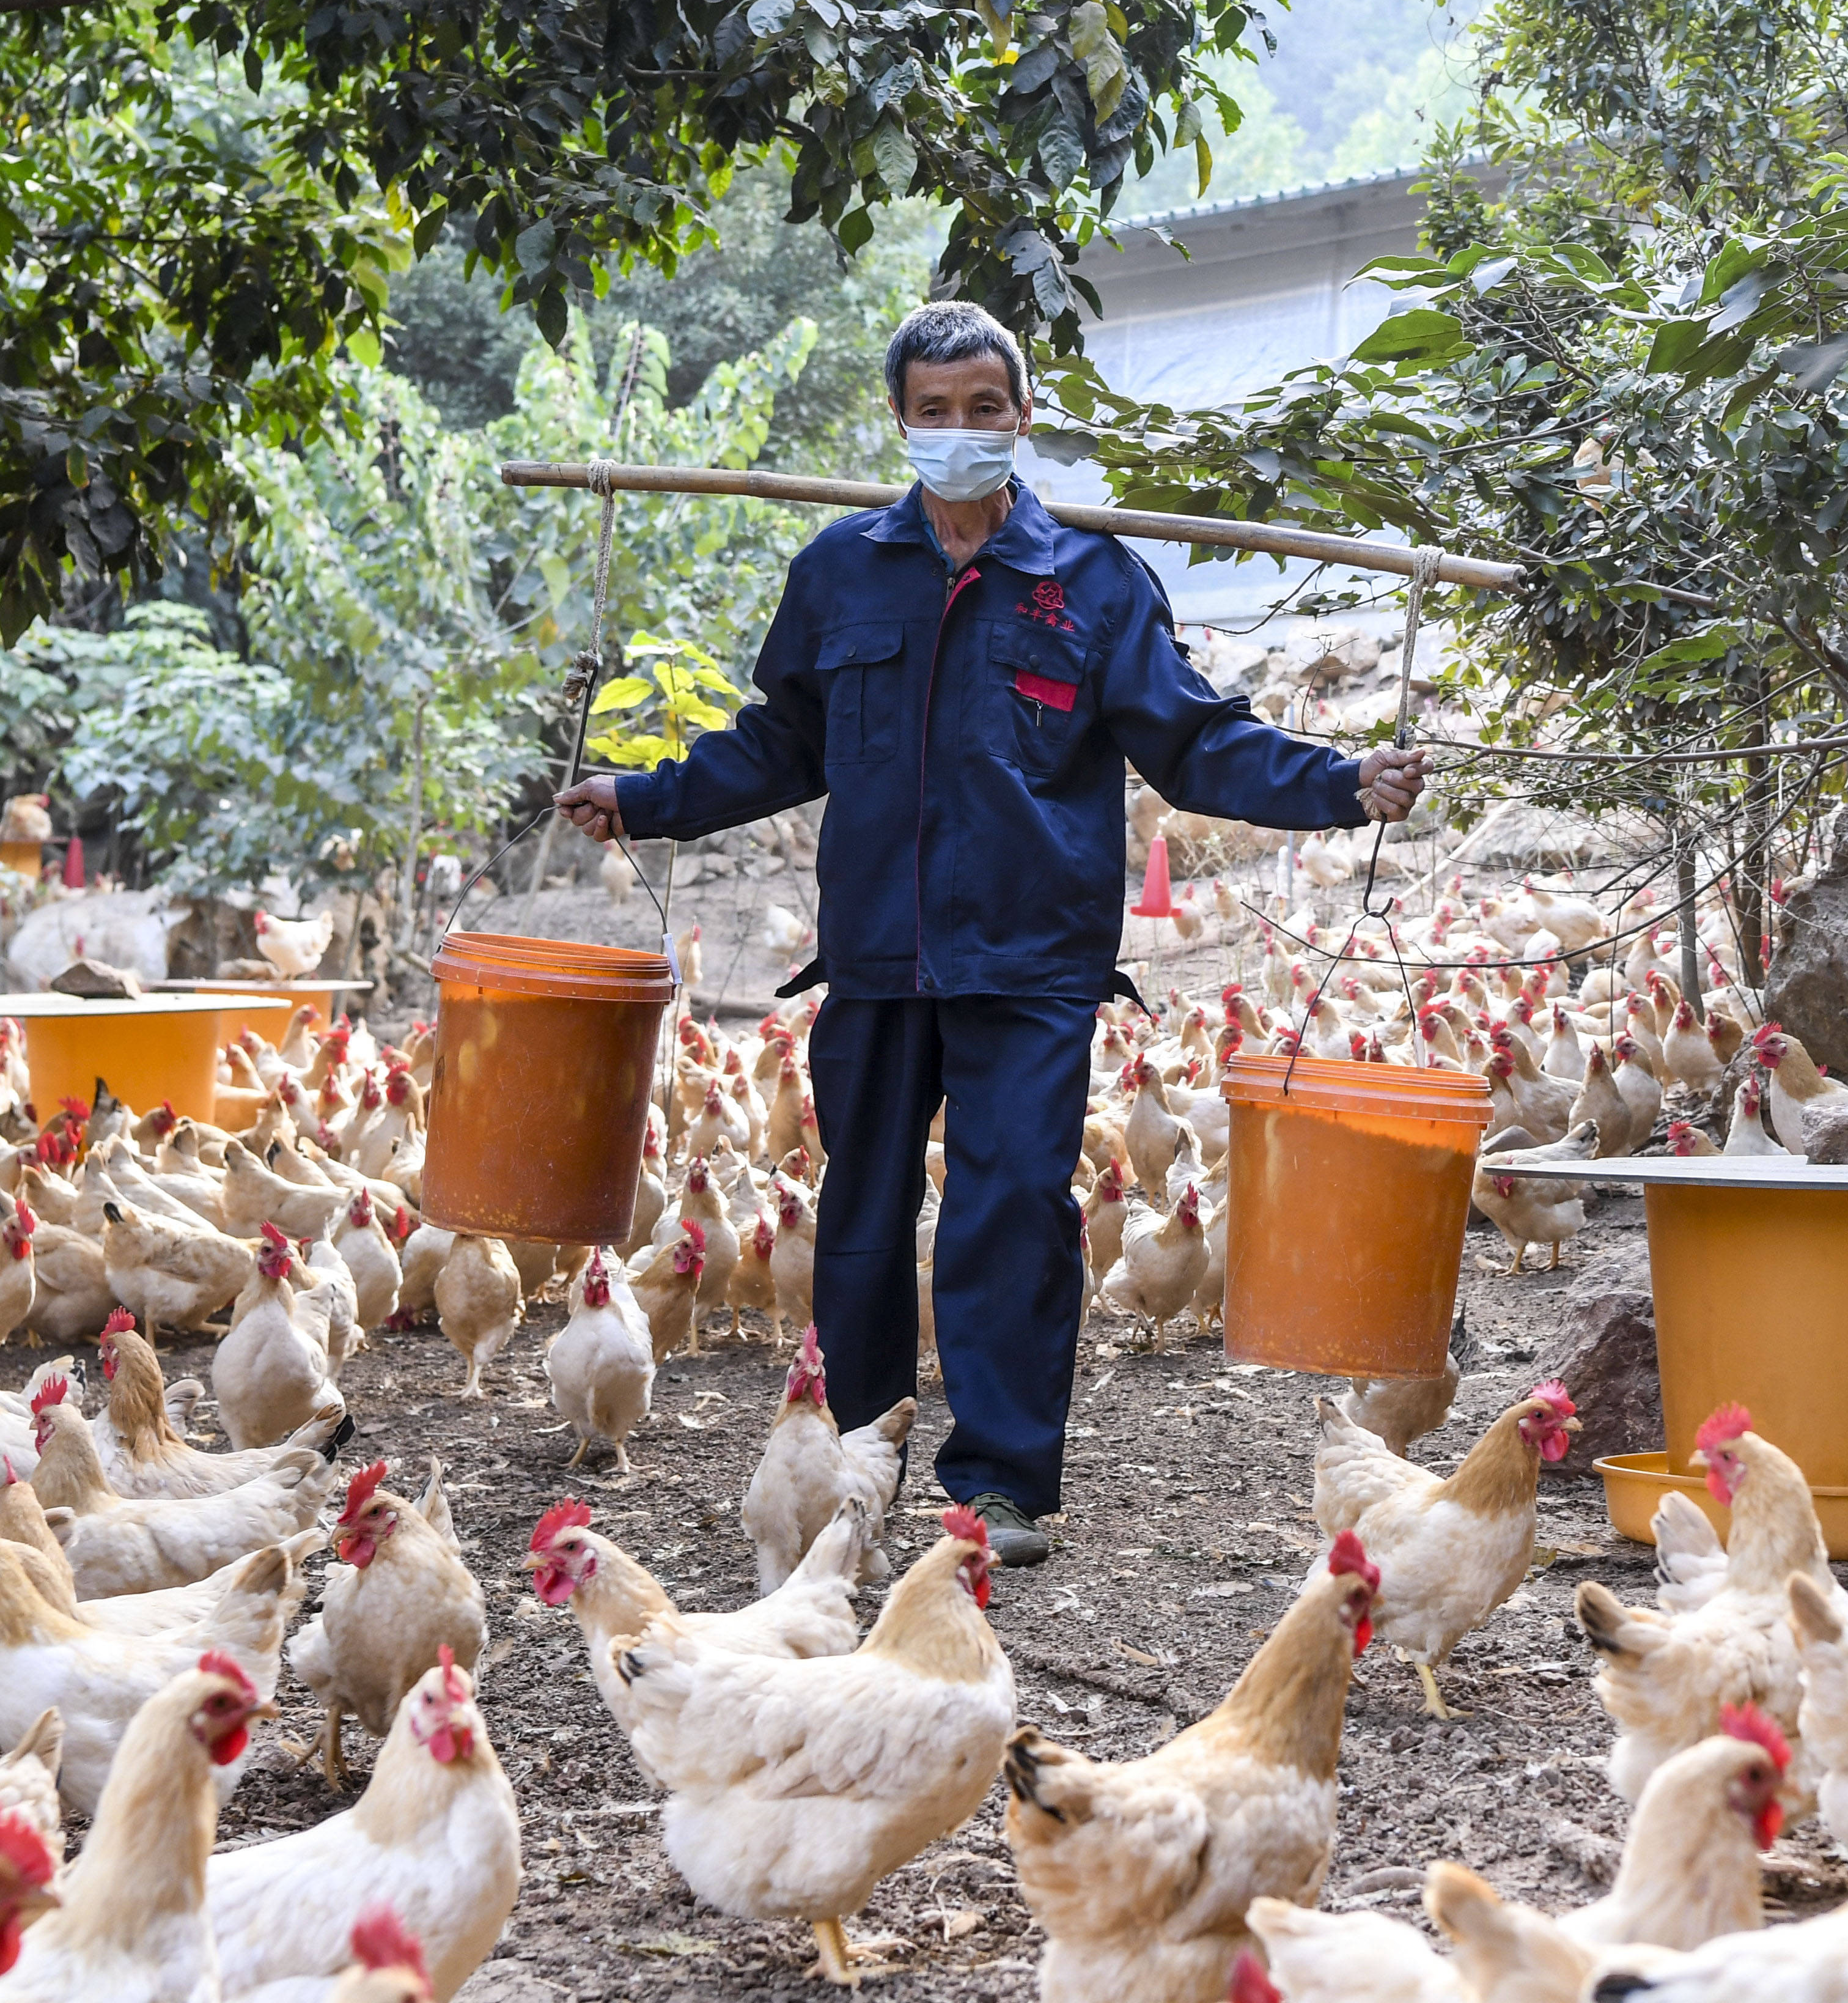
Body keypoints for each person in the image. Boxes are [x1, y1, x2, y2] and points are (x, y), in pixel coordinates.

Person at [558, 300, 1424, 1565]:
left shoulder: (1093, 585)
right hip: (878, 957)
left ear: (1020, 419)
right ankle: (859, 1452)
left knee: (1014, 1210)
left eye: (983, 408)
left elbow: (1195, 741)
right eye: (935, 409)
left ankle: (1001, 1484)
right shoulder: (840, 573)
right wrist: (643, 796)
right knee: (857, 1211)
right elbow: (780, 744)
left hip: (1031, 960)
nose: (959, 430)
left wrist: (1342, 784)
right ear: (902, 418)